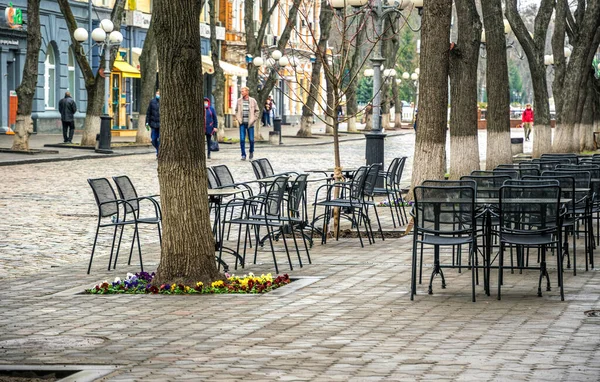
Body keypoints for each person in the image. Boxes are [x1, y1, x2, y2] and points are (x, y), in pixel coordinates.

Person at [235, 86, 259, 161]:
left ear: (247, 92)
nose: (241, 92)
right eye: (241, 91)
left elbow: (257, 111)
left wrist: (254, 119)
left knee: (251, 140)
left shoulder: (253, 100)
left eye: (243, 91)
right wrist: (238, 118)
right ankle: (243, 155)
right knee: (242, 139)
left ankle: (251, 151)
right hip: (242, 123)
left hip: (250, 123)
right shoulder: (239, 101)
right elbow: (236, 110)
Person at [145, 90, 160, 155]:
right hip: (153, 124)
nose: (157, 95)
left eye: (159, 93)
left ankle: (158, 153)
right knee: (153, 140)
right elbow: (148, 113)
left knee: (160, 140)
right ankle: (158, 150)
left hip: (161, 125)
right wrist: (147, 122)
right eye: (157, 93)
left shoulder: (164, 102)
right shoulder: (152, 102)